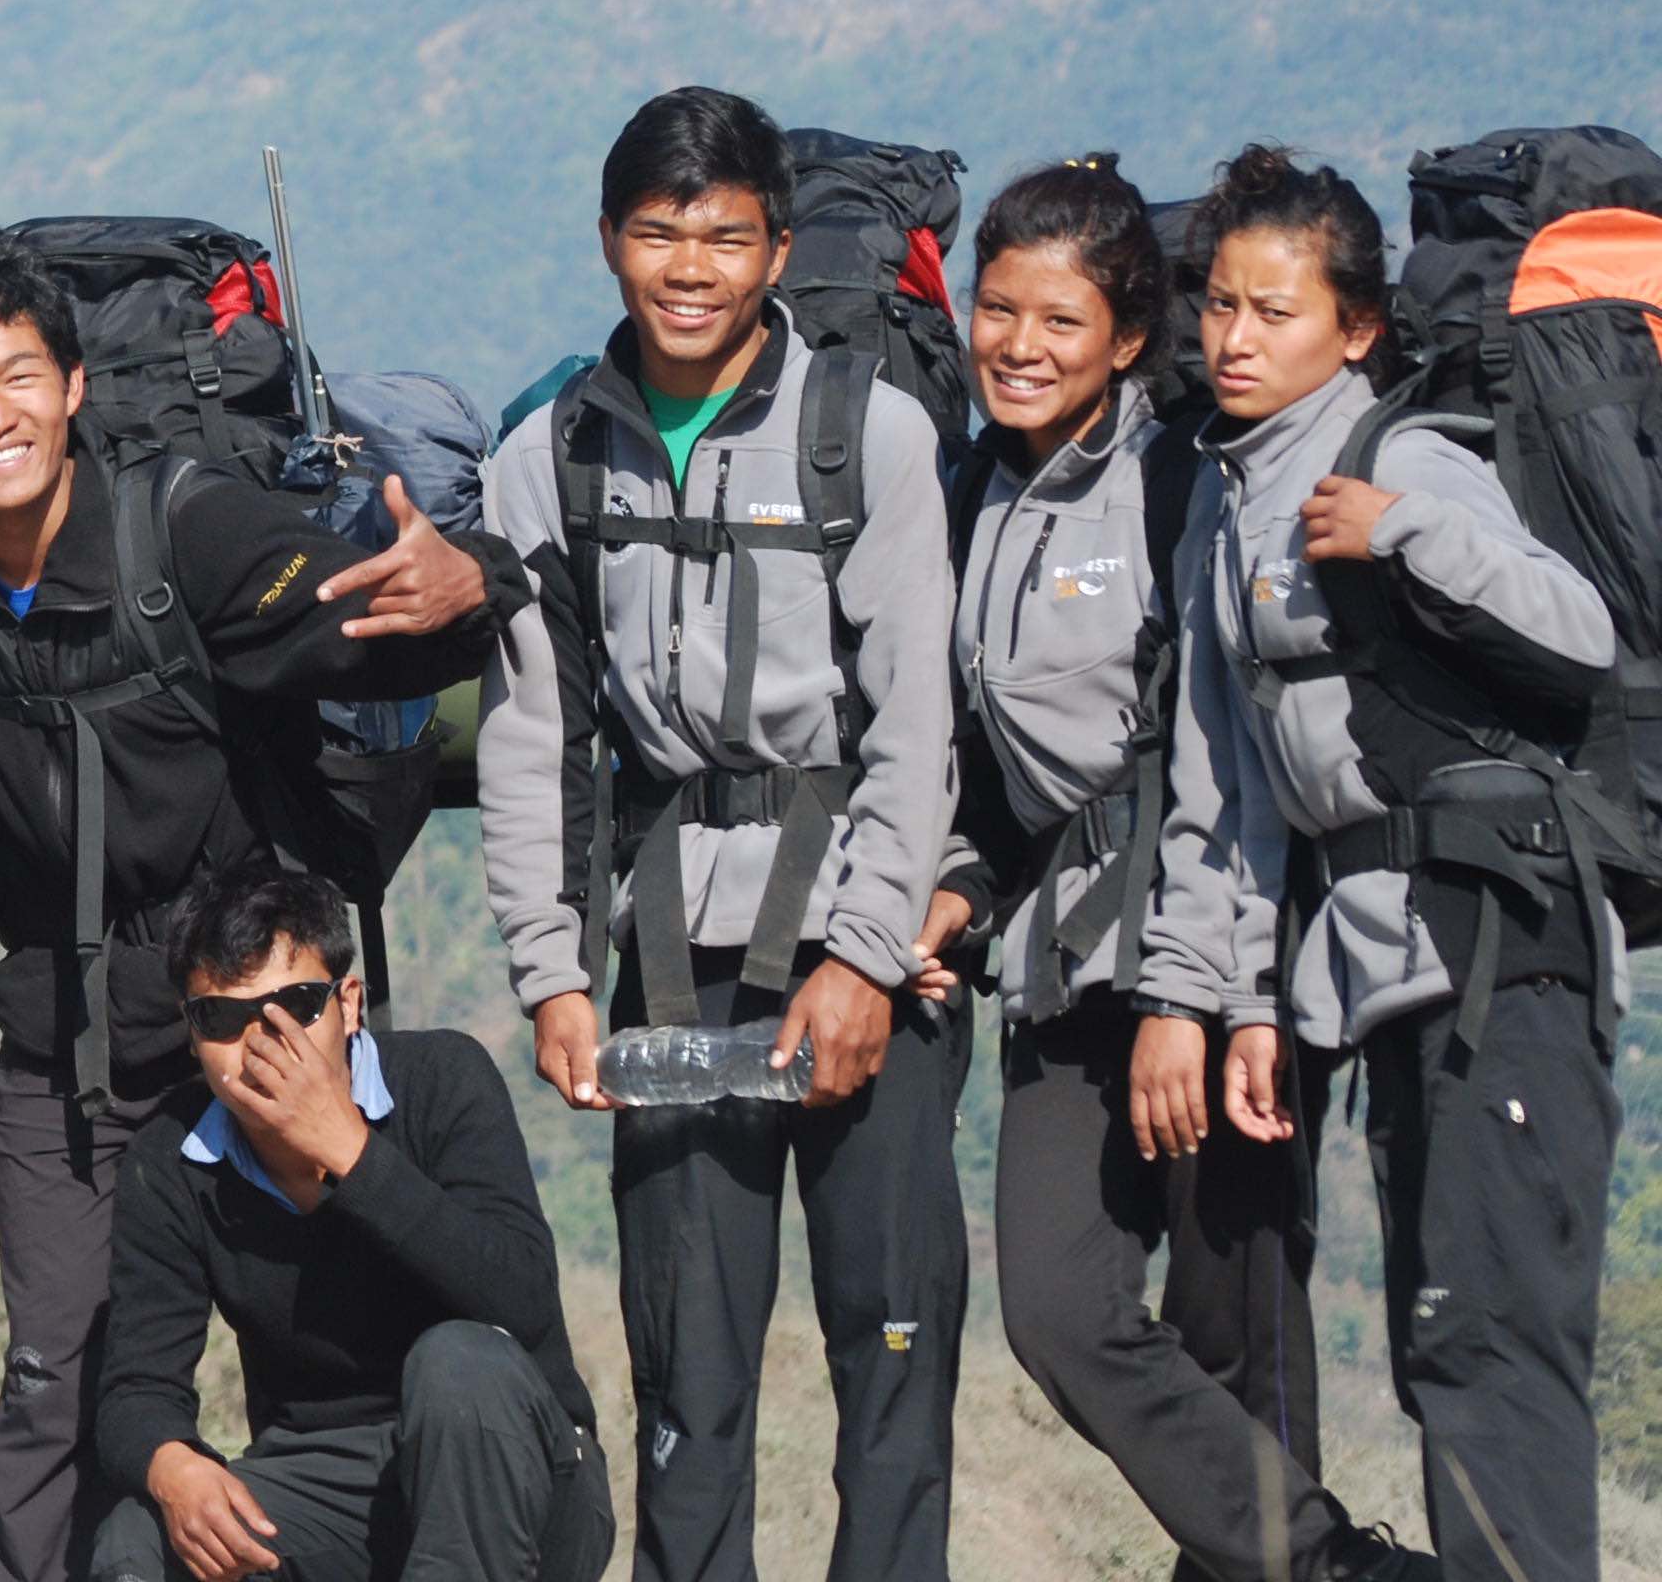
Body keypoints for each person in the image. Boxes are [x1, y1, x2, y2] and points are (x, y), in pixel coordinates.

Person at [0, 222, 518, 1582]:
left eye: (17, 377)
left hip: (253, 1021)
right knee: (57, 1387)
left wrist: (475, 587)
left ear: (74, 387)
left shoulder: (188, 522)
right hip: (70, 1035)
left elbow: (373, 616)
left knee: (353, 1367)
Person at [470, 86, 966, 1582]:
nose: (688, 267)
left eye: (725, 237)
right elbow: (533, 734)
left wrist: (870, 959)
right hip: (675, 951)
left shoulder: (865, 437)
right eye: (657, 232)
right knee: (688, 1367)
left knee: (893, 1353)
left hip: (859, 943)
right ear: (608, 238)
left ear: (776, 249)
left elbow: (915, 719)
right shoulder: (549, 454)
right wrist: (552, 974)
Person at [938, 161, 1432, 1582]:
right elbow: (987, 761)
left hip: (1218, 962)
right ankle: (1341, 1567)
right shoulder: (979, 486)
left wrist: (1197, 998)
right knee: (1061, 1312)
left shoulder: (1177, 484)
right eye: (997, 309)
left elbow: (1217, 755)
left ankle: (1307, 1564)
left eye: (1061, 321)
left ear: (1129, 341)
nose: (1018, 345)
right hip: (1061, 961)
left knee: (1237, 1340)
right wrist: (964, 885)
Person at [1153, 146, 1623, 1582]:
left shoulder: (1402, 457)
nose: (1234, 340)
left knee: (1491, 1339)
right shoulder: (1228, 501)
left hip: (1501, 947)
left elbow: (1580, 630)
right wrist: (1238, 1000)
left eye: (1273, 312)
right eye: (1221, 307)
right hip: (1375, 967)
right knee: (1441, 1337)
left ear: (1356, 329)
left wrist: (1404, 532)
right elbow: (1228, 786)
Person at [91, 858, 608, 1582]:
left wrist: (348, 1150)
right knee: (141, 1533)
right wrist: (173, 1466)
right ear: (190, 1031)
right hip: (326, 1491)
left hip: (512, 1467)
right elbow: (137, 1387)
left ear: (351, 1002)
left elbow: (521, 1301)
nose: (262, 1042)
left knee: (458, 1362)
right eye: (223, 1017)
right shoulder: (172, 1159)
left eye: (296, 1005)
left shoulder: (442, 1080)